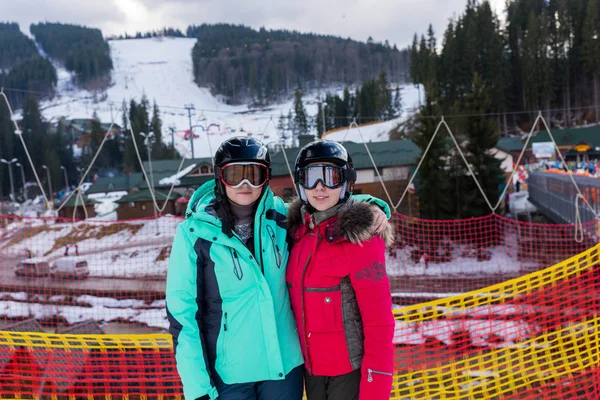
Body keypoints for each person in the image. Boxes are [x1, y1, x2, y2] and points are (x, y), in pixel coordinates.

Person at [166, 137, 390, 400]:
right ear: (220, 177)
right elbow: (183, 317)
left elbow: (326, 206)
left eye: (254, 174)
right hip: (231, 376)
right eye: (235, 175)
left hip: (285, 371)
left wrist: (372, 208)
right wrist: (198, 389)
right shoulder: (195, 234)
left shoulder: (281, 219)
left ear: (266, 177)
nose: (245, 185)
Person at [286, 139, 395, 400]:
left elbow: (379, 322)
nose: (320, 187)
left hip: (350, 373)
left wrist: (375, 387)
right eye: (311, 177)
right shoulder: (297, 233)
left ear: (346, 181)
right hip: (311, 373)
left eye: (331, 177)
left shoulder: (361, 238)